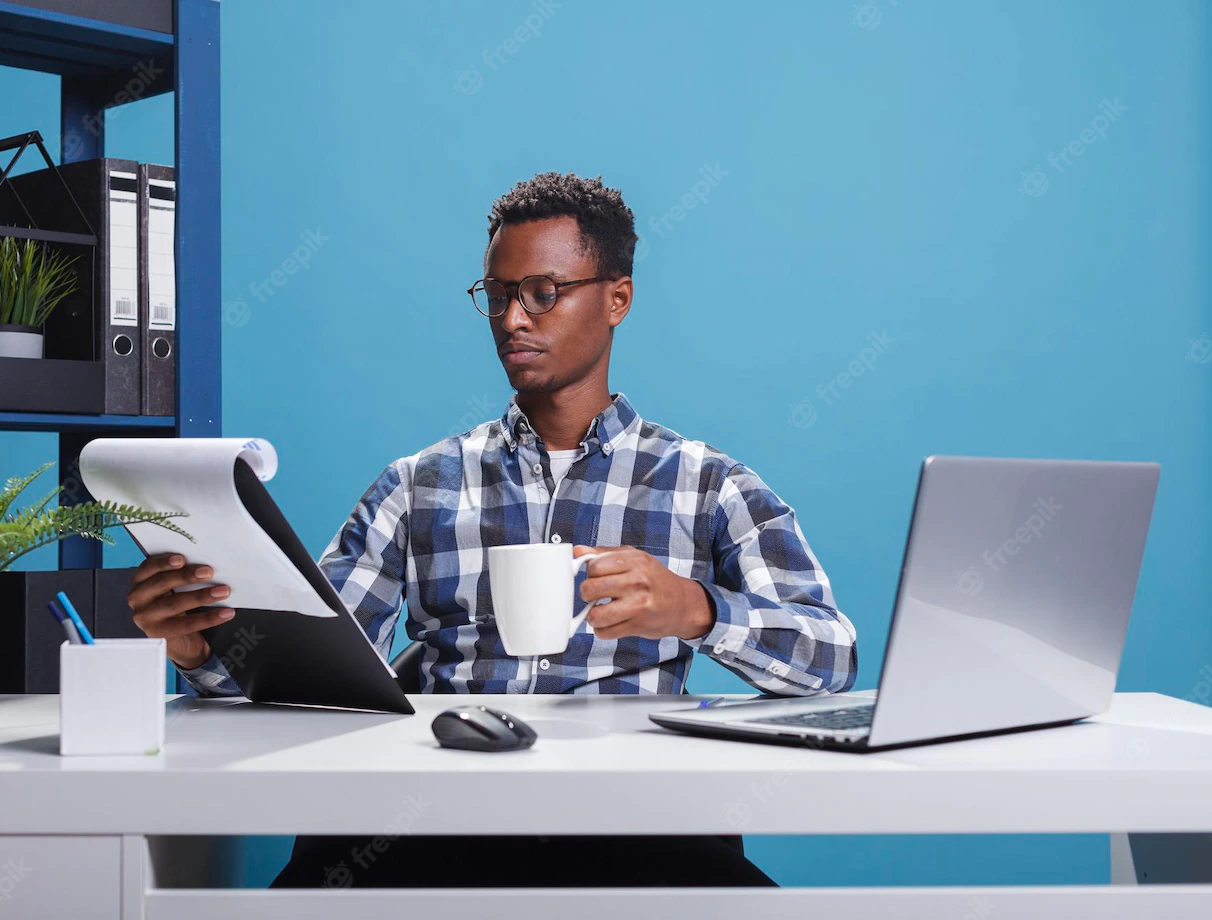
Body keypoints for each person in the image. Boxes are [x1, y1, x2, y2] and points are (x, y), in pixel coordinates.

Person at [127, 172, 858, 888]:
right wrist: (199, 646)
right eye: (498, 296)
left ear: (617, 299)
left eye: (543, 293)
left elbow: (831, 660)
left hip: (633, 822)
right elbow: (314, 667)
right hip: (439, 819)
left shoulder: (706, 483)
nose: (512, 319)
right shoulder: (417, 484)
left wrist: (698, 611)